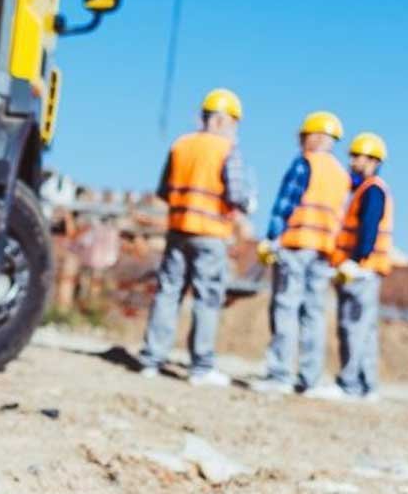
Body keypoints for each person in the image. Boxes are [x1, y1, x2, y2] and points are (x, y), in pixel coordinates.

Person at [138, 88, 255, 386]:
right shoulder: (227, 150)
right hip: (211, 234)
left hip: (178, 229)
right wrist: (247, 203)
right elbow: (237, 194)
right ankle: (200, 367)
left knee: (168, 292)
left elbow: (164, 191)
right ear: (222, 121)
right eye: (233, 123)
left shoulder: (181, 145)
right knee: (207, 298)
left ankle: (152, 359)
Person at [253, 111, 351, 394]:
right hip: (323, 252)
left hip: (296, 244)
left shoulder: (305, 164)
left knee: (286, 307)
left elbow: (287, 202)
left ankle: (280, 374)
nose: (301, 142)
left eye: (304, 136)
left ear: (316, 136)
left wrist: (272, 237)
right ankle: (310, 378)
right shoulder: (341, 175)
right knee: (314, 314)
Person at [309, 132, 394, 401]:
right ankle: (366, 386)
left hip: (361, 271)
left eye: (360, 157)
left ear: (374, 161)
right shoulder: (364, 190)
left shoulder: (372, 190)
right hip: (365, 270)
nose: (354, 162)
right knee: (364, 331)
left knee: (354, 327)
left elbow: (368, 229)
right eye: (353, 156)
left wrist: (355, 261)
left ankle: (350, 385)